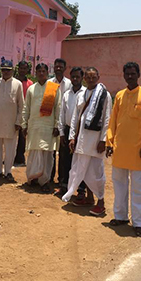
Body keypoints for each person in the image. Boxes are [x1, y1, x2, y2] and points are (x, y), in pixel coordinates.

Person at [106, 62, 141, 237]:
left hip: (138, 150)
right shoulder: (120, 96)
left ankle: (139, 223)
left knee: (139, 187)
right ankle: (120, 216)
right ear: (123, 75)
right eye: (127, 73)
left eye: (133, 73)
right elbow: (113, 121)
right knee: (119, 184)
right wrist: (109, 142)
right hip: (120, 148)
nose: (130, 76)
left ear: (139, 74)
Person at [62, 67, 112, 216]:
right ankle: (89, 198)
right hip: (82, 139)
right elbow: (75, 118)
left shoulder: (104, 95)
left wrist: (103, 140)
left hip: (95, 141)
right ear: (84, 79)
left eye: (93, 77)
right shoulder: (81, 94)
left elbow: (107, 118)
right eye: (88, 77)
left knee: (95, 172)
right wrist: (72, 137)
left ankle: (101, 202)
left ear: (98, 77)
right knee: (82, 170)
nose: (91, 80)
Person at [22, 63, 61, 193]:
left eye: (44, 71)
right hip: (34, 126)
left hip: (48, 127)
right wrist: (24, 124)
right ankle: (33, 178)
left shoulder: (53, 88)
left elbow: (58, 107)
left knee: (47, 155)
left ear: (47, 72)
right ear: (36, 73)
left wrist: (56, 125)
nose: (41, 73)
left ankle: (44, 181)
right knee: (33, 153)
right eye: (39, 71)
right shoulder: (31, 89)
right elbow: (26, 107)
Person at [0, 60, 24, 182]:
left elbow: (21, 105)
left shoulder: (17, 84)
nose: (6, 72)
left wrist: (18, 121)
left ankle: (8, 171)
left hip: (11, 122)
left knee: (10, 149)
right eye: (3, 70)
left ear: (12, 70)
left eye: (8, 70)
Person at [55, 66, 86, 196]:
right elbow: (62, 114)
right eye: (73, 77)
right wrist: (62, 133)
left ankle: (81, 189)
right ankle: (63, 185)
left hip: (81, 132)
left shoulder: (86, 94)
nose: (75, 79)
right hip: (67, 130)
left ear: (82, 78)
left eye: (77, 77)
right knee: (64, 159)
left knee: (80, 161)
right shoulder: (66, 94)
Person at [49, 58, 71, 184]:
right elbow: (48, 105)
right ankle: (50, 177)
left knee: (63, 154)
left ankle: (62, 180)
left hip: (65, 123)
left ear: (64, 68)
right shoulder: (49, 83)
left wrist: (60, 125)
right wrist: (54, 124)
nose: (58, 68)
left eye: (60, 67)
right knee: (51, 152)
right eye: (56, 66)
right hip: (51, 123)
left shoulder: (69, 84)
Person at [14, 61, 33, 166]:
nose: (22, 70)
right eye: (21, 68)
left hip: (24, 112)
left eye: (25, 68)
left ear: (27, 70)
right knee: (12, 135)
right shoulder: (12, 81)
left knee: (22, 136)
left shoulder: (30, 84)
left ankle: (20, 157)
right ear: (18, 69)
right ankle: (10, 157)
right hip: (13, 111)